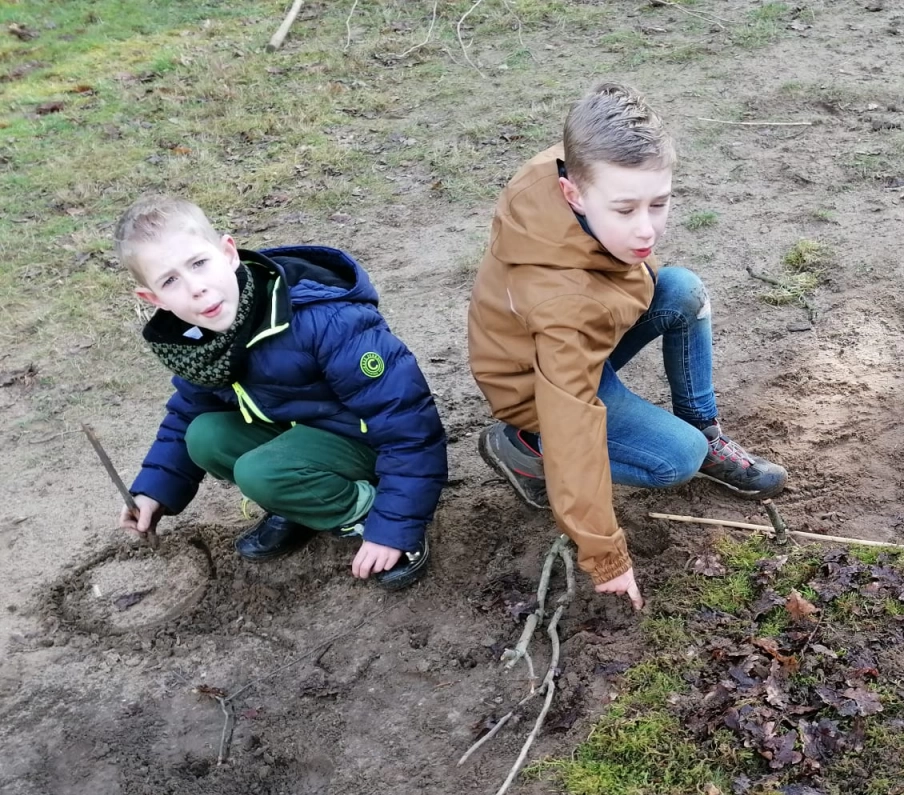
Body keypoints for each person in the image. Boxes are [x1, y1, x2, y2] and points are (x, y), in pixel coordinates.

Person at [468, 82, 787, 611]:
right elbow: (574, 425)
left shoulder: (574, 164)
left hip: (586, 334)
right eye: (624, 210)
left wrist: (623, 221)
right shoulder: (560, 307)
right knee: (677, 459)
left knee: (683, 290)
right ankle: (523, 447)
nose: (646, 229)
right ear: (574, 193)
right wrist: (606, 556)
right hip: (538, 385)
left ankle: (706, 430)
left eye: (658, 203)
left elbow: (630, 253)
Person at [113, 195, 446, 591]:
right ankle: (299, 503)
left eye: (199, 263)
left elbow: (408, 422)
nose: (196, 289)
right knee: (203, 436)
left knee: (260, 472)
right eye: (170, 281)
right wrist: (153, 490)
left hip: (367, 443)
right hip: (298, 437)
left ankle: (368, 510)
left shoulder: (326, 321)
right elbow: (186, 410)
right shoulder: (197, 339)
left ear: (228, 253)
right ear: (152, 299)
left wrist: (394, 526)